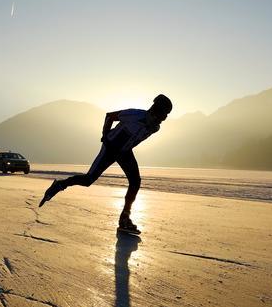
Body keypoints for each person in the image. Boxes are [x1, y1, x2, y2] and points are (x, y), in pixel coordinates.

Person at [38, 94, 173, 233]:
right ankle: (60, 184)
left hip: (124, 152)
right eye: (164, 114)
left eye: (167, 115)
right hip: (110, 147)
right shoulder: (134, 114)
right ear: (155, 109)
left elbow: (135, 139)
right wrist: (105, 135)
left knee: (135, 181)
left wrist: (124, 149)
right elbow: (110, 116)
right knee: (88, 180)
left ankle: (125, 217)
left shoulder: (155, 128)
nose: (164, 118)